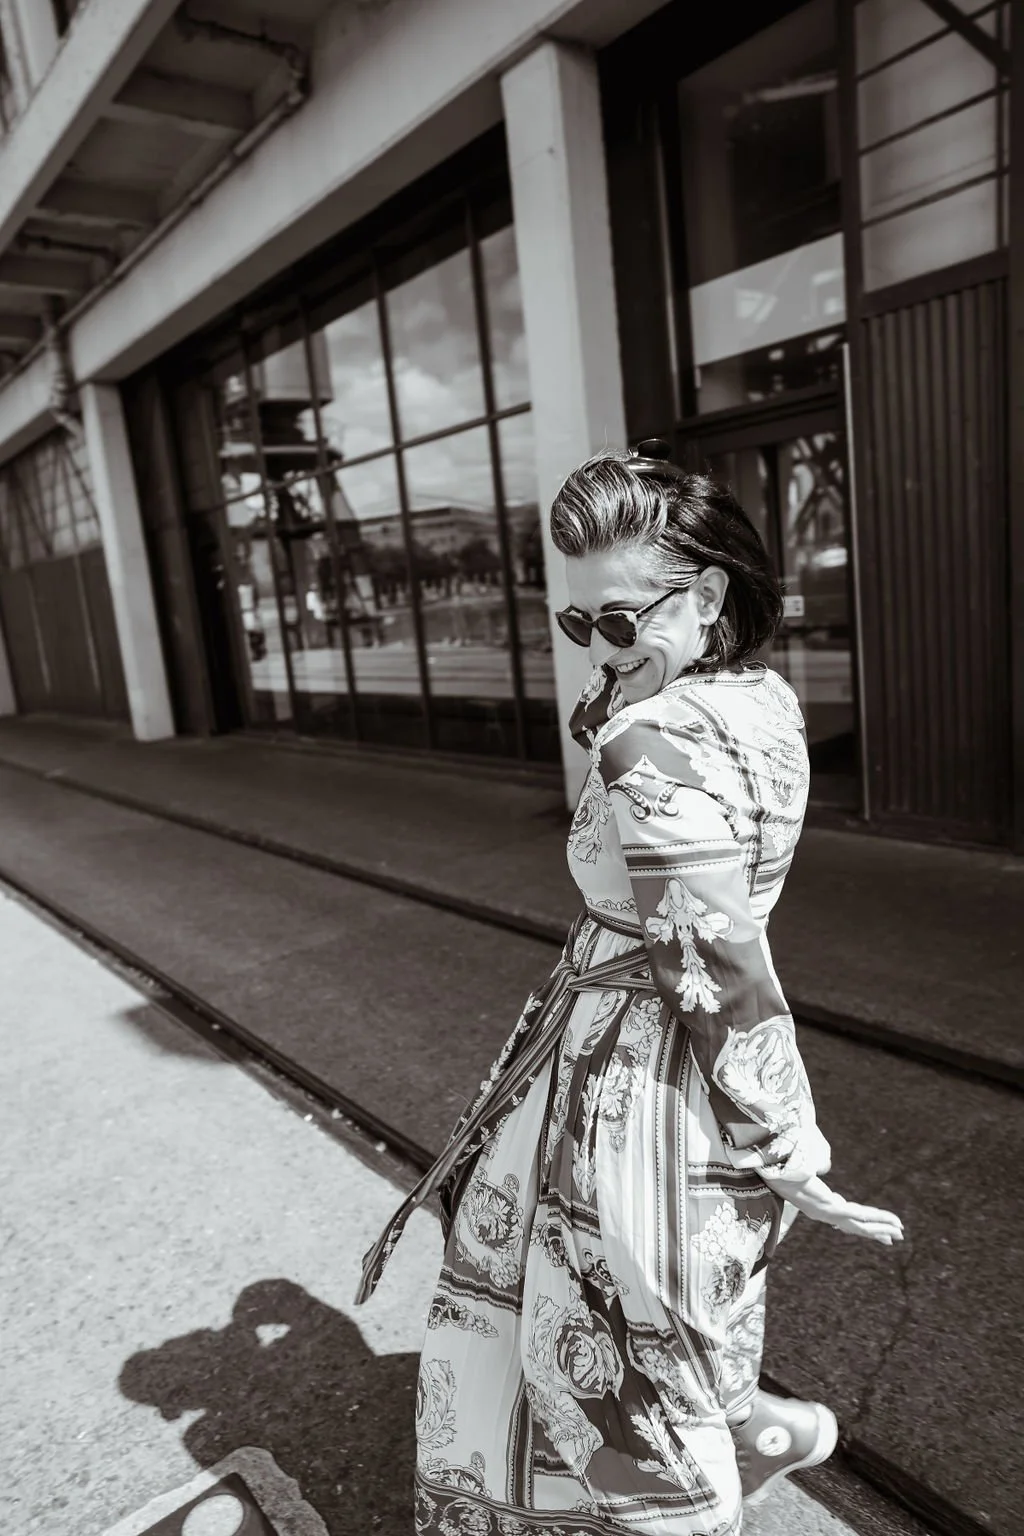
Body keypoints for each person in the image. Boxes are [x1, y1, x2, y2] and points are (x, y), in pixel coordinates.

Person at [357, 443, 904, 1535]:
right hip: (649, 1048)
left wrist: (786, 1134)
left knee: (594, 1339)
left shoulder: (648, 739)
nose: (592, 652)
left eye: (615, 621)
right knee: (672, 1304)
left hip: (634, 1069)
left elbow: (711, 956)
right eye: (575, 624)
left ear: (705, 596)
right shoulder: (761, 699)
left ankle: (695, 1490)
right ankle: (749, 1431)